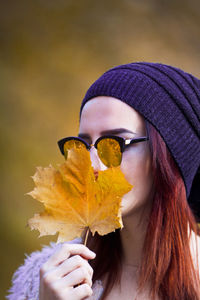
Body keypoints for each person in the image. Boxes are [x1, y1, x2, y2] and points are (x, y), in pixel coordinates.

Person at [7, 62, 200, 300]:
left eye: (115, 144)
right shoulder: (47, 278)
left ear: (170, 155)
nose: (92, 166)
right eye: (83, 146)